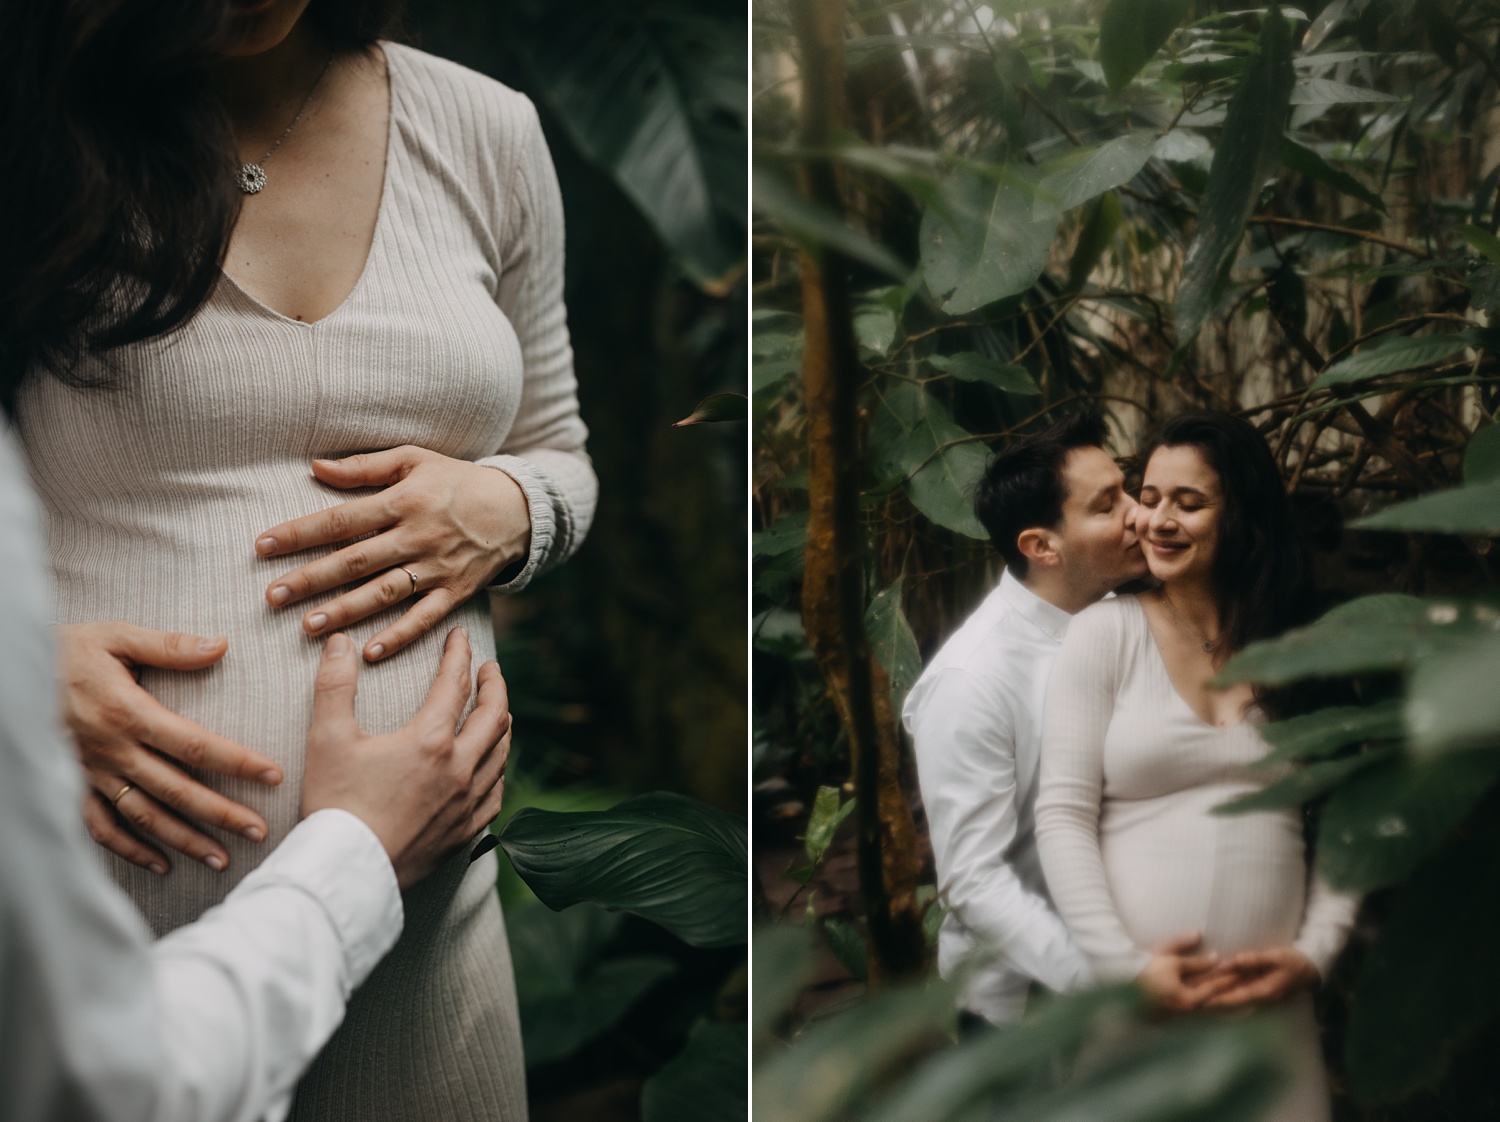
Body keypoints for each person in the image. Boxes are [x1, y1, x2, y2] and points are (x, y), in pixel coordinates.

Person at [6, 0, 594, 1116]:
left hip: (422, 941)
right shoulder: (35, 127)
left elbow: (562, 450)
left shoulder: (488, 132)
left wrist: (510, 507)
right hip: (86, 930)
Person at [0, 416, 513, 1121]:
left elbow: (559, 447)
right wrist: (24, 668)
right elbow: (95, 1084)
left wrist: (517, 505)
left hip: (436, 959)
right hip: (150, 930)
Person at [1035, 410, 1359, 1121]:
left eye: (1189, 502)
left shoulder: (1304, 644)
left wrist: (1315, 952)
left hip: (1270, 1016)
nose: (1157, 520)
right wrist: (1125, 970)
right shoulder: (1103, 636)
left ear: (1242, 515)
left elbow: (1349, 810)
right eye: (1148, 498)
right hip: (1135, 1009)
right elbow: (1061, 816)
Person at [904, 411, 1169, 1026]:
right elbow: (973, 881)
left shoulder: (1127, 617)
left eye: (1127, 490)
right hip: (1026, 1015)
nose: (1138, 513)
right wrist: (1108, 979)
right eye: (1108, 505)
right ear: (1041, 546)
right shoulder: (970, 681)